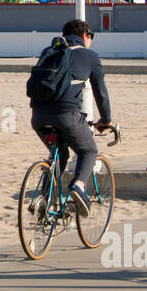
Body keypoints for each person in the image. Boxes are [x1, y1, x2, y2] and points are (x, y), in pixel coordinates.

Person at [30, 19, 113, 217]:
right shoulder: (90, 56)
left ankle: (44, 199)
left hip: (38, 116)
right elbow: (100, 92)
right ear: (85, 35)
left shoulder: (48, 52)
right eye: (91, 36)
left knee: (60, 154)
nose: (91, 40)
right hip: (66, 115)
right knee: (88, 150)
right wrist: (106, 119)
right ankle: (78, 186)